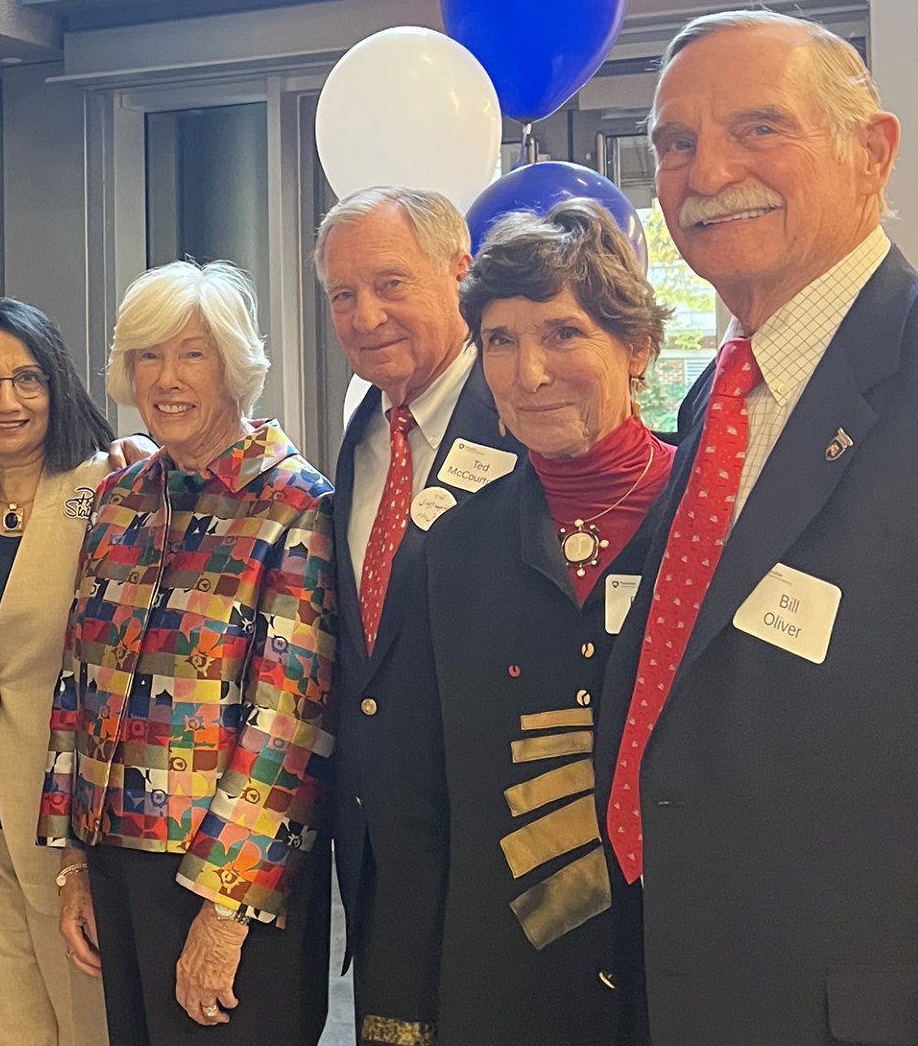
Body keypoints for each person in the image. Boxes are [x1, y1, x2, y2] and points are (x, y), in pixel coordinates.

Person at [596, 10, 918, 1045]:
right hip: (692, 983)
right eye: (676, 144)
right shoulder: (717, 395)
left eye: (757, 128)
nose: (706, 171)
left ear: (872, 153)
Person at [356, 200, 675, 1045]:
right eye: (501, 340)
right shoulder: (448, 547)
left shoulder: (709, 529)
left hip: (681, 976)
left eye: (564, 334)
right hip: (502, 988)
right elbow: (415, 804)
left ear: (636, 347)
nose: (528, 372)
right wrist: (403, 1011)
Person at [42, 259, 335, 1046]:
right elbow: (78, 687)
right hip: (115, 860)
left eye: (193, 354)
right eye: (147, 355)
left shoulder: (294, 504)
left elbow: (290, 725)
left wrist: (225, 912)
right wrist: (74, 861)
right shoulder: (121, 498)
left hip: (225, 877)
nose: (166, 378)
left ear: (236, 367)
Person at [312, 187, 526, 1033]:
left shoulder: (523, 415)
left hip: (499, 858)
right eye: (342, 294)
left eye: (391, 284)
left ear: (458, 272)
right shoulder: (364, 428)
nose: (367, 316)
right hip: (379, 847)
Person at [0, 300, 114, 1046]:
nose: (5, 401)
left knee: (88, 1025)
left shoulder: (108, 486)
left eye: (25, 378)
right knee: (5, 1028)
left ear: (57, 385)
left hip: (73, 818)